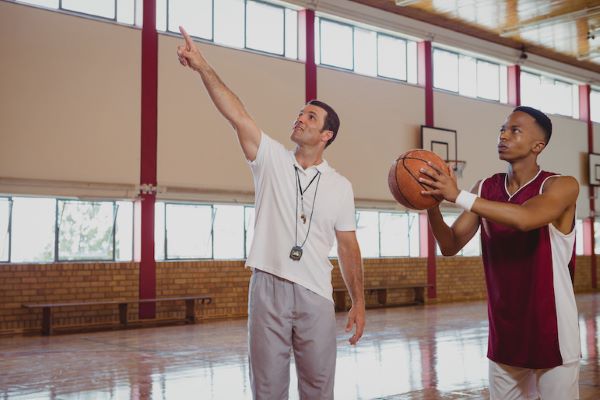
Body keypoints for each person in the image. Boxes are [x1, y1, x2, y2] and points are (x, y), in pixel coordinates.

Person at [176, 26, 365, 399]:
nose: (300, 119)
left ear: (327, 135)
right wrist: (202, 67)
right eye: (300, 114)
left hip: (315, 294)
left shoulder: (340, 186)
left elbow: (348, 248)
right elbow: (237, 114)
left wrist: (358, 301)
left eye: (311, 117)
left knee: (318, 389)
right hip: (267, 288)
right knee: (267, 389)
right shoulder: (272, 160)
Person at [419, 106, 580, 400]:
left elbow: (524, 219)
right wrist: (431, 206)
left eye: (514, 130)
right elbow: (450, 245)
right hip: (505, 331)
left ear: (537, 146)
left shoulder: (562, 186)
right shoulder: (486, 188)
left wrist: (458, 196)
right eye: (502, 129)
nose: (503, 135)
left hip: (552, 331)